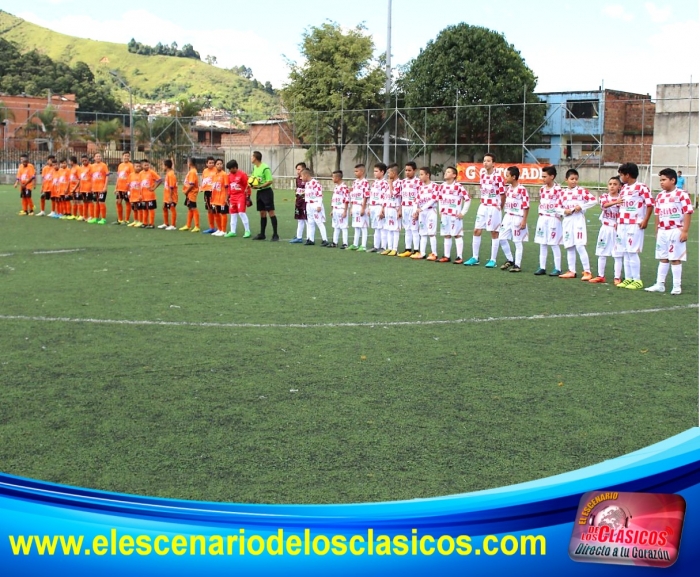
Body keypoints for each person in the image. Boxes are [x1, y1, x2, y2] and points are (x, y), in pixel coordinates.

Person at [645, 168, 694, 295]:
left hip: (676, 230)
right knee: (663, 257)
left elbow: (688, 212)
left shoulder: (682, 194)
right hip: (663, 231)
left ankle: (677, 286)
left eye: (664, 180)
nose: (661, 182)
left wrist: (685, 231)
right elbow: (657, 214)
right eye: (660, 180)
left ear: (673, 180)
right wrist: (656, 230)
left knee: (675, 258)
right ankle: (659, 284)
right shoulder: (660, 195)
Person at [616, 162, 653, 289]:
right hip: (622, 224)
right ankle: (628, 278)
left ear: (628, 175)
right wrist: (618, 222)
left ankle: (637, 280)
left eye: (621, 174)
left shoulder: (642, 187)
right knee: (625, 252)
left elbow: (649, 204)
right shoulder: (624, 188)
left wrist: (645, 220)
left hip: (635, 224)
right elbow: (621, 206)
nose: (620, 177)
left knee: (632, 252)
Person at [464, 152, 505, 268]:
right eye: (484, 160)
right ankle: (475, 257)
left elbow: (503, 194)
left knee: (494, 232)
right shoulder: (482, 175)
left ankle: (493, 260)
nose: (485, 163)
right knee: (476, 230)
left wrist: (500, 207)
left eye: (488, 161)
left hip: (494, 208)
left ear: (493, 163)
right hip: (483, 206)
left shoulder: (498, 178)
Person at [558, 168, 596, 280]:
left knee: (579, 245)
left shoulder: (582, 191)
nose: (574, 181)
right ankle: (571, 271)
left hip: (578, 220)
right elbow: (556, 207)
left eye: (576, 179)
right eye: (572, 179)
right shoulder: (562, 193)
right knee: (569, 246)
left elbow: (593, 200)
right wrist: (564, 211)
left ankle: (587, 271)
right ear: (566, 180)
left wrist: (581, 206)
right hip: (568, 221)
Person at [589, 176, 624, 284]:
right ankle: (600, 275)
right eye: (610, 184)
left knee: (617, 253)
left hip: (617, 229)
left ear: (619, 187)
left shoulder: (622, 198)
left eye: (615, 184)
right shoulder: (604, 196)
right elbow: (603, 206)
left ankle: (617, 277)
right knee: (601, 251)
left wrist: (619, 223)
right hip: (605, 228)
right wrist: (616, 202)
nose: (612, 186)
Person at [497, 166, 529, 272]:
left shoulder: (522, 189)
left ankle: (517, 265)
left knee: (517, 241)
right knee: (501, 238)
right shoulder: (509, 188)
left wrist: (524, 220)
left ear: (514, 177)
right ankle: (510, 259)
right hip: (508, 216)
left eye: (507, 175)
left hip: (517, 217)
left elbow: (526, 206)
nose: (505, 177)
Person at [437, 166, 471, 263]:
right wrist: (440, 210)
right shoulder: (442, 186)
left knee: (457, 235)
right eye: (445, 171)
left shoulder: (458, 186)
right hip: (445, 215)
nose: (445, 173)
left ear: (454, 175)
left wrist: (463, 212)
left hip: (455, 216)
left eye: (448, 172)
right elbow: (440, 198)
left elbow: (468, 199)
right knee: (446, 235)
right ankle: (446, 256)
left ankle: (459, 257)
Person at [533, 166, 563, 276]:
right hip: (542, 218)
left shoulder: (558, 190)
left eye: (545, 176)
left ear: (552, 176)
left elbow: (561, 204)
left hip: (553, 219)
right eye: (542, 176)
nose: (543, 178)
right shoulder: (542, 189)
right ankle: (542, 267)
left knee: (554, 244)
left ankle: (558, 268)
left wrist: (558, 215)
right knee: (542, 243)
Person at [411, 167, 439, 260]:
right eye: (419, 174)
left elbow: (433, 199)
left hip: (431, 211)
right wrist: (416, 211)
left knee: (431, 233)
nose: (420, 176)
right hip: (422, 213)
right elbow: (416, 201)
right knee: (422, 233)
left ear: (428, 175)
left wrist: (422, 208)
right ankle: (422, 253)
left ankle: (434, 253)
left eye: (422, 174)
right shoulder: (420, 188)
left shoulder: (434, 186)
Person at [250, 151, 278, 241]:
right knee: (262, 213)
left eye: (252, 157)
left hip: (267, 192)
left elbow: (269, 181)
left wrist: (260, 186)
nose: (251, 158)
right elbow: (254, 179)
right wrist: (252, 185)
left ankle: (275, 234)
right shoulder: (255, 167)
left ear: (255, 158)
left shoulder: (265, 168)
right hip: (259, 192)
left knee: (271, 212)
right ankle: (262, 234)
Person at [300, 168, 329, 246]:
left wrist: (319, 205)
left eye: (302, 176)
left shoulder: (316, 183)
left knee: (319, 222)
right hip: (308, 204)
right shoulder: (307, 184)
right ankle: (311, 239)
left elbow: (319, 194)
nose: (301, 178)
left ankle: (325, 239)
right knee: (310, 222)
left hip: (315, 204)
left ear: (306, 175)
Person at [398, 161, 421, 257]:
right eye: (406, 170)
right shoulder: (402, 182)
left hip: (413, 208)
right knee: (407, 228)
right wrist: (400, 209)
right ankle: (407, 249)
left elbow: (420, 196)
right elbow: (400, 197)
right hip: (405, 207)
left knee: (414, 229)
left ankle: (416, 250)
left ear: (414, 170)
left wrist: (417, 210)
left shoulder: (418, 182)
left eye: (409, 170)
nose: (407, 172)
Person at [224, 159, 251, 238]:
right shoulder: (229, 176)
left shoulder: (242, 175)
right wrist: (227, 197)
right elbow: (229, 187)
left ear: (235, 167)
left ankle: (247, 231)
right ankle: (233, 231)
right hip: (232, 197)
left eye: (230, 169)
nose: (229, 171)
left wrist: (248, 196)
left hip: (240, 196)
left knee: (241, 213)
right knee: (233, 214)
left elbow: (247, 186)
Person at [381, 163, 402, 256]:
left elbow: (394, 194)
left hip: (395, 208)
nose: (388, 175)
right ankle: (389, 248)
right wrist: (383, 208)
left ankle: (395, 249)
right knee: (389, 228)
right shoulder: (389, 183)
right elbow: (386, 197)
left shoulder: (399, 183)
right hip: (388, 208)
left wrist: (390, 185)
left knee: (395, 229)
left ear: (394, 172)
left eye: (389, 172)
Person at [348, 164, 370, 251]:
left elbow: (365, 196)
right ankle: (355, 244)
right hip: (355, 205)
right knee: (356, 226)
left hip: (361, 206)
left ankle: (363, 245)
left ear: (362, 171)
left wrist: (363, 208)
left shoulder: (365, 182)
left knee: (363, 226)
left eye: (356, 171)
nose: (355, 173)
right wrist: (352, 207)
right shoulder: (355, 182)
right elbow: (353, 196)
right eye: (354, 171)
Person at [368, 162, 388, 252]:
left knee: (382, 227)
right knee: (376, 227)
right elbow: (371, 196)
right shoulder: (374, 183)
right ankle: (376, 246)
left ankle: (383, 247)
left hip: (380, 207)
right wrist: (369, 207)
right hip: (373, 207)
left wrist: (382, 210)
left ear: (382, 172)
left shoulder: (384, 183)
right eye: (374, 171)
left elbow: (385, 197)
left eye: (376, 171)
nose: (374, 173)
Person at [329, 170, 350, 248]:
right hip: (336, 209)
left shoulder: (344, 187)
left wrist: (345, 211)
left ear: (337, 178)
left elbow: (347, 199)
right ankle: (335, 242)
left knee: (343, 226)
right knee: (336, 226)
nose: (332, 178)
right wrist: (333, 209)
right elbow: (335, 199)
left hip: (341, 209)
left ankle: (345, 243)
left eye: (333, 177)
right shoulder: (336, 187)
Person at [139, 159, 161, 229]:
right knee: (144, 209)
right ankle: (145, 223)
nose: (146, 166)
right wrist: (140, 194)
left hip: (150, 195)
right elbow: (140, 185)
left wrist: (154, 188)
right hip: (143, 195)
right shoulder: (141, 174)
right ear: (142, 166)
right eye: (145, 165)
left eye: (148, 165)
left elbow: (159, 180)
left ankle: (151, 224)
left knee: (151, 209)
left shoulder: (151, 172)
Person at [180, 158, 201, 232]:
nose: (187, 163)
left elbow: (192, 184)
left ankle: (197, 226)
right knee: (190, 208)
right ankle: (188, 225)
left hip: (191, 193)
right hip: (189, 193)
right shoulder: (192, 171)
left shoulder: (192, 172)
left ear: (190, 163)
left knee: (193, 208)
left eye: (188, 162)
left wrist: (186, 191)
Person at [210, 159, 229, 237]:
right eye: (218, 164)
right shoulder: (214, 175)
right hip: (215, 198)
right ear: (215, 165)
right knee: (215, 213)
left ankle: (224, 230)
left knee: (223, 213)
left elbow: (227, 187)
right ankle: (219, 229)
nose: (219, 165)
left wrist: (226, 198)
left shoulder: (224, 174)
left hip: (222, 197)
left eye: (221, 164)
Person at [114, 152, 134, 225]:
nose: (126, 157)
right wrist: (116, 187)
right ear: (122, 156)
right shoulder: (120, 165)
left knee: (127, 203)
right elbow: (118, 177)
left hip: (127, 188)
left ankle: (127, 219)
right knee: (118, 202)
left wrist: (130, 188)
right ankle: (120, 219)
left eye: (128, 156)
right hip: (120, 188)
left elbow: (132, 176)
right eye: (125, 156)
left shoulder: (131, 166)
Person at [290, 161, 307, 243]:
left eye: (299, 169)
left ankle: (309, 237)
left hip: (306, 202)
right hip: (299, 202)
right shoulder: (297, 179)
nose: (297, 171)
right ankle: (299, 237)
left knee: (307, 220)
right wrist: (295, 198)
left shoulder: (308, 180)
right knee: (300, 219)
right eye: (297, 169)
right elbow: (297, 189)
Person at [159, 159, 178, 230]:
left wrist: (170, 197)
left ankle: (173, 225)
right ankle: (166, 223)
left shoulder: (171, 174)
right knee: (164, 208)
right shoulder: (168, 173)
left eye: (162, 165)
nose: (162, 167)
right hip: (167, 196)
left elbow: (171, 187)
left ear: (166, 166)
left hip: (172, 196)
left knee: (172, 208)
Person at [90, 152, 109, 225]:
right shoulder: (92, 166)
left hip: (101, 188)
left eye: (99, 156)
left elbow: (107, 176)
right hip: (95, 188)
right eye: (96, 156)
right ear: (94, 158)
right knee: (96, 202)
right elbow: (91, 177)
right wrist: (92, 187)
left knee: (101, 202)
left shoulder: (104, 165)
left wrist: (105, 186)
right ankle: (95, 217)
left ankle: (103, 218)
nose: (98, 157)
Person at [200, 157, 217, 234]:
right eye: (210, 163)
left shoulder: (216, 170)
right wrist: (201, 187)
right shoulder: (204, 171)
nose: (211, 164)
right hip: (207, 192)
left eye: (213, 163)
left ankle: (219, 228)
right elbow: (203, 181)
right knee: (209, 209)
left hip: (215, 192)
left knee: (216, 210)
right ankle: (211, 227)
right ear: (206, 164)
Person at [127, 160, 143, 227]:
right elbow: (129, 184)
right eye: (137, 166)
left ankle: (140, 221)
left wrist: (141, 194)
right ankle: (135, 220)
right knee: (134, 208)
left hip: (139, 195)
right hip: (133, 195)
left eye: (139, 166)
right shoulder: (131, 175)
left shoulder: (142, 174)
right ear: (133, 167)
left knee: (139, 208)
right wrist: (128, 192)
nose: (138, 168)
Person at [77, 155, 93, 222]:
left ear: (88, 160)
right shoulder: (81, 168)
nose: (84, 162)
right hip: (82, 188)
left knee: (89, 201)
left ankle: (91, 216)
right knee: (84, 201)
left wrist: (92, 187)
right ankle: (85, 216)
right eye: (83, 161)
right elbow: (80, 179)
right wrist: (79, 188)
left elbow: (93, 178)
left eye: (85, 160)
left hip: (89, 187)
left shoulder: (91, 167)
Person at [68, 156, 81, 220]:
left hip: (77, 189)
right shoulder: (72, 168)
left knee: (78, 201)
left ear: (72, 161)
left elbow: (79, 179)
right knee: (74, 201)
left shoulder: (78, 168)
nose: (69, 162)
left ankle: (81, 215)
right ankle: (74, 215)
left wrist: (75, 188)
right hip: (72, 188)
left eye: (69, 161)